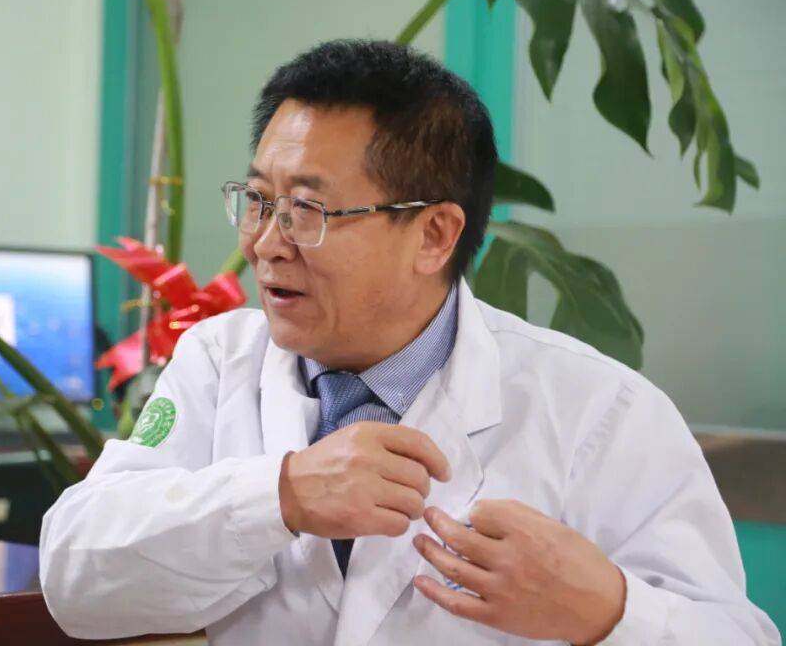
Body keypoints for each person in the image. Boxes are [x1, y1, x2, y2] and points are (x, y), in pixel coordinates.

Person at [40, 40, 780, 645]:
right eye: (259, 200)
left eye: (307, 209)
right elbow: (77, 577)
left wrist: (608, 612)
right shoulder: (218, 361)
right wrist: (281, 495)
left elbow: (737, 636)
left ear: (433, 235)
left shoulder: (600, 410)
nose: (265, 243)